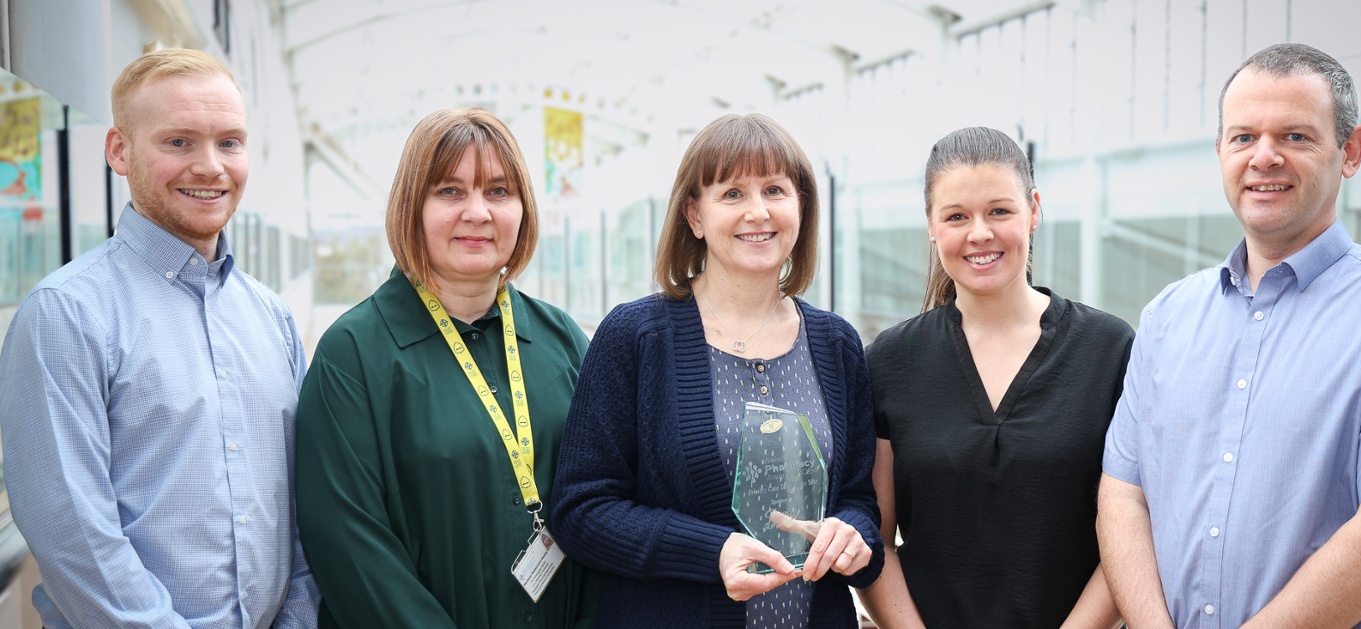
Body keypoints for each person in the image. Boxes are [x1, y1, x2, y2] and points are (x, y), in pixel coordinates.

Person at [1098, 42, 1361, 628]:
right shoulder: (1168, 315)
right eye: (1244, 137)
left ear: (1350, 152)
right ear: (1220, 151)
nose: (1263, 157)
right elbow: (1123, 495)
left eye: (1295, 137)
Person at [0, 48, 318, 628]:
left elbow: (302, 507)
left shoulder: (271, 317)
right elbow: (75, 539)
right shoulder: (66, 315)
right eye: (178, 142)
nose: (210, 166)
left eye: (229, 142)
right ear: (119, 151)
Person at [550, 113, 883, 628]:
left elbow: (859, 499)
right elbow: (580, 511)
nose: (758, 212)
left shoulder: (836, 343)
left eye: (775, 190)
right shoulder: (637, 337)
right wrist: (712, 552)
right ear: (695, 216)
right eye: (732, 194)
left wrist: (852, 534)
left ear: (801, 208)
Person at [294, 107, 596, 628]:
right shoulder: (353, 354)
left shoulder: (563, 341)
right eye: (450, 191)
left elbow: (606, 501)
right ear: (412, 206)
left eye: (499, 191)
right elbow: (349, 544)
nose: (478, 212)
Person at [857, 127, 1130, 628]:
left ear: (1034, 211)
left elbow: (1132, 530)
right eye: (957, 216)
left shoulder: (1110, 351)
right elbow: (875, 537)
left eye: (999, 211)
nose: (979, 233)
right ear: (931, 227)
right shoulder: (889, 361)